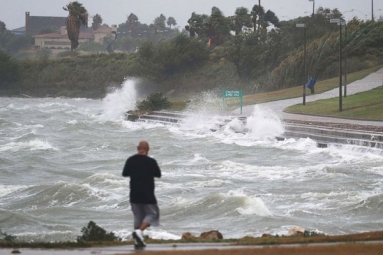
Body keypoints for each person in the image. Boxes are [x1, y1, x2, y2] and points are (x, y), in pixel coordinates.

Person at [122, 141, 161, 248]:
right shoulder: (151, 161)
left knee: (138, 216)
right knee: (153, 214)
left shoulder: (131, 160)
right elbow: (158, 174)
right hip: (147, 193)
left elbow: (125, 173)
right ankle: (139, 231)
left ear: (138, 148)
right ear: (148, 149)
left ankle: (137, 241)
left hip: (134, 193)